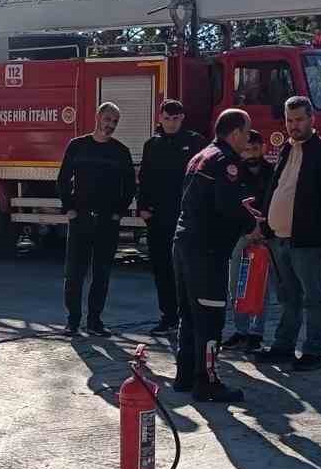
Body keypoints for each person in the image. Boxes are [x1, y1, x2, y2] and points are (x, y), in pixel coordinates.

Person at [172, 108, 256, 402]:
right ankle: (207, 381)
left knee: (189, 314)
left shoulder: (201, 155)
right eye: (247, 132)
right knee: (209, 318)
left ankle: (184, 376)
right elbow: (226, 205)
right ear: (234, 133)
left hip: (184, 243)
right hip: (206, 251)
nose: (248, 138)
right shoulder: (226, 161)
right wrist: (252, 225)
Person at [257, 96, 321, 372]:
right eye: (289, 120)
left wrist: (315, 228)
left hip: (307, 242)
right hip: (278, 238)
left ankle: (313, 351)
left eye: (299, 119)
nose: (294, 125)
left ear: (311, 119)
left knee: (313, 297)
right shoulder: (285, 150)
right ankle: (284, 346)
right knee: (287, 297)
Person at [58, 102, 137, 336]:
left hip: (107, 222)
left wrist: (118, 212)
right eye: (107, 119)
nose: (110, 125)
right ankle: (72, 321)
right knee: (74, 273)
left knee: (101, 274)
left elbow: (130, 186)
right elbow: (63, 179)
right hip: (80, 219)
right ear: (97, 117)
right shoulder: (77, 146)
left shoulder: (120, 151)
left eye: (114, 122)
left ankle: (94, 321)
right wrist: (69, 209)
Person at [137, 100, 206, 335]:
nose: (171, 123)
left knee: (187, 270)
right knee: (162, 269)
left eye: (176, 119)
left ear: (182, 118)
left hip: (186, 217)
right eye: (167, 118)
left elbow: (203, 179)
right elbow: (144, 177)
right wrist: (143, 207)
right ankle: (168, 317)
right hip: (158, 218)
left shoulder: (195, 142)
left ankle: (189, 318)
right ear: (160, 118)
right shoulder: (152, 145)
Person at [225, 129, 276, 352]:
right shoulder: (234, 173)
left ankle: (256, 333)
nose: (252, 153)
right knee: (236, 284)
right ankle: (240, 331)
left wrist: (264, 230)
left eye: (256, 149)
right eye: (248, 149)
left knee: (260, 286)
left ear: (263, 148)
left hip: (264, 236)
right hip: (240, 235)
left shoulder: (273, 173)